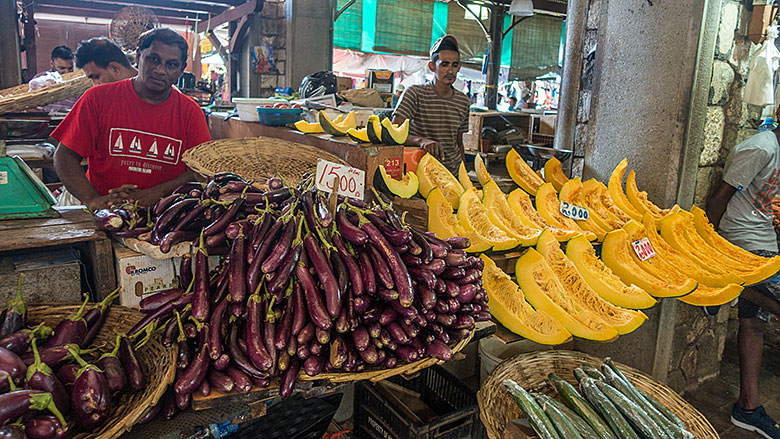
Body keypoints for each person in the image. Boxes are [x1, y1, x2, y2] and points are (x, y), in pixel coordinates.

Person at [52, 28, 211, 211]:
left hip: (163, 218)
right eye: (154, 59)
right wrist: (93, 200)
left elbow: (199, 169)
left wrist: (155, 194)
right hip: (104, 216)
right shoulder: (97, 99)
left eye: (171, 64)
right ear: (138, 56)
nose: (160, 70)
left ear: (181, 70)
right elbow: (64, 156)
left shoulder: (191, 112)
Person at [707, 105, 780, 439]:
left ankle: (747, 409)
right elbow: (720, 197)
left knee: (753, 324)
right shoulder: (761, 147)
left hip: (764, 240)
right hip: (742, 242)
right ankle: (726, 282)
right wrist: (706, 243)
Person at [392, 35, 471, 174]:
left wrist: (463, 174)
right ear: (432, 66)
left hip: (452, 172)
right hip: (421, 172)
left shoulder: (463, 101)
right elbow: (394, 132)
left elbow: (459, 143)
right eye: (444, 64)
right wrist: (421, 141)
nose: (450, 71)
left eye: (455, 65)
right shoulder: (415, 94)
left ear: (459, 67)